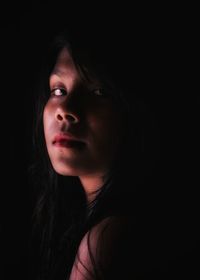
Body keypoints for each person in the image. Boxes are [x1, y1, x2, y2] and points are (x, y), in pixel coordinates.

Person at [28, 26, 160, 280]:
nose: (64, 109)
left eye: (98, 92)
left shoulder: (106, 240)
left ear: (132, 111)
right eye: (58, 90)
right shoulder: (89, 224)